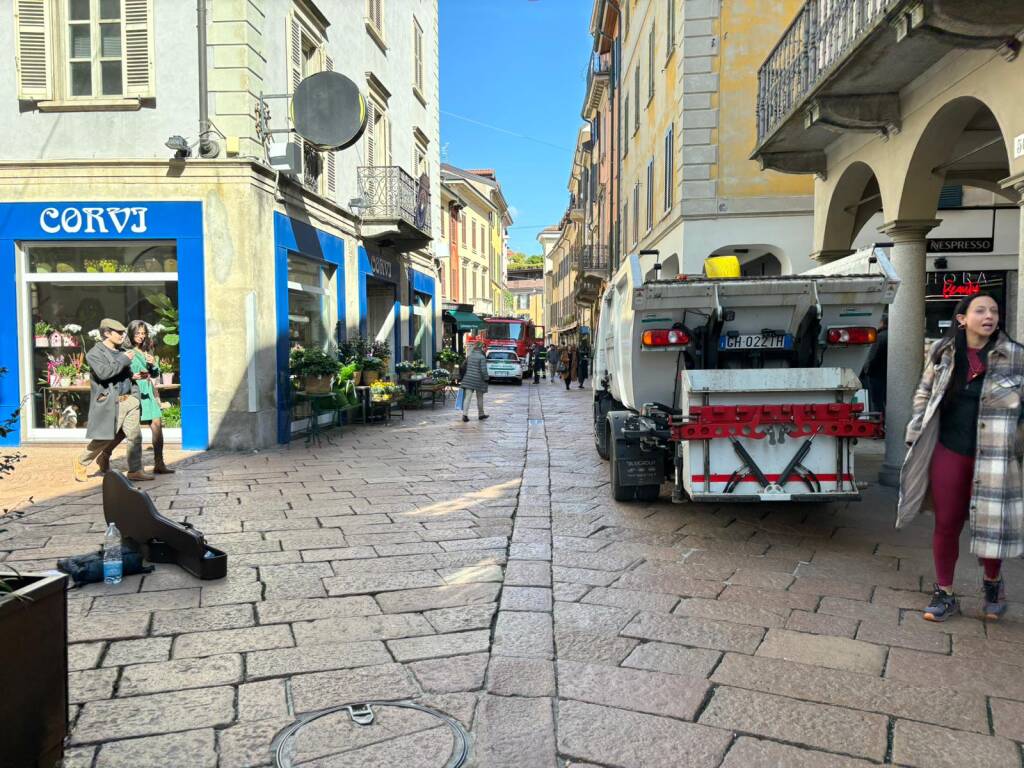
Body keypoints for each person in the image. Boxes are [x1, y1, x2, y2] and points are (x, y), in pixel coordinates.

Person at [898, 293, 1024, 622]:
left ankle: (992, 584)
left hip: (995, 455)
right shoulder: (943, 351)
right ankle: (944, 593)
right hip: (949, 449)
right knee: (947, 522)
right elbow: (924, 393)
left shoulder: (1015, 356)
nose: (989, 316)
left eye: (994, 311)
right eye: (980, 310)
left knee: (990, 523)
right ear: (962, 318)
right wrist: (914, 430)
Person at [72, 319, 153, 482]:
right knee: (105, 437)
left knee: (135, 436)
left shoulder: (123, 350)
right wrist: (124, 359)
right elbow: (104, 373)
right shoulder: (94, 353)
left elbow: (124, 373)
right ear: (107, 333)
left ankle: (135, 470)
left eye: (124, 332)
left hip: (130, 399)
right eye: (119, 332)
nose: (123, 335)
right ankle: (81, 462)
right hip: (112, 402)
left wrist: (133, 376)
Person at [97, 321, 174, 475]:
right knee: (124, 431)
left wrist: (154, 365)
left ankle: (159, 463)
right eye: (137, 333)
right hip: (134, 391)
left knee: (157, 425)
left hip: (148, 392)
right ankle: (104, 455)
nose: (140, 336)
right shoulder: (124, 351)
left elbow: (154, 374)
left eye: (143, 333)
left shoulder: (147, 350)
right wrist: (133, 376)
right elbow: (120, 371)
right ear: (131, 333)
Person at [459, 341, 489, 422]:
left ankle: (464, 415)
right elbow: (483, 370)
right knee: (480, 397)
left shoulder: (470, 356)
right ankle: (481, 414)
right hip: (479, 380)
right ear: (481, 348)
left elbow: (462, 366)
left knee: (467, 398)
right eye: (483, 347)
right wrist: (486, 378)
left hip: (468, 379)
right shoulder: (482, 357)